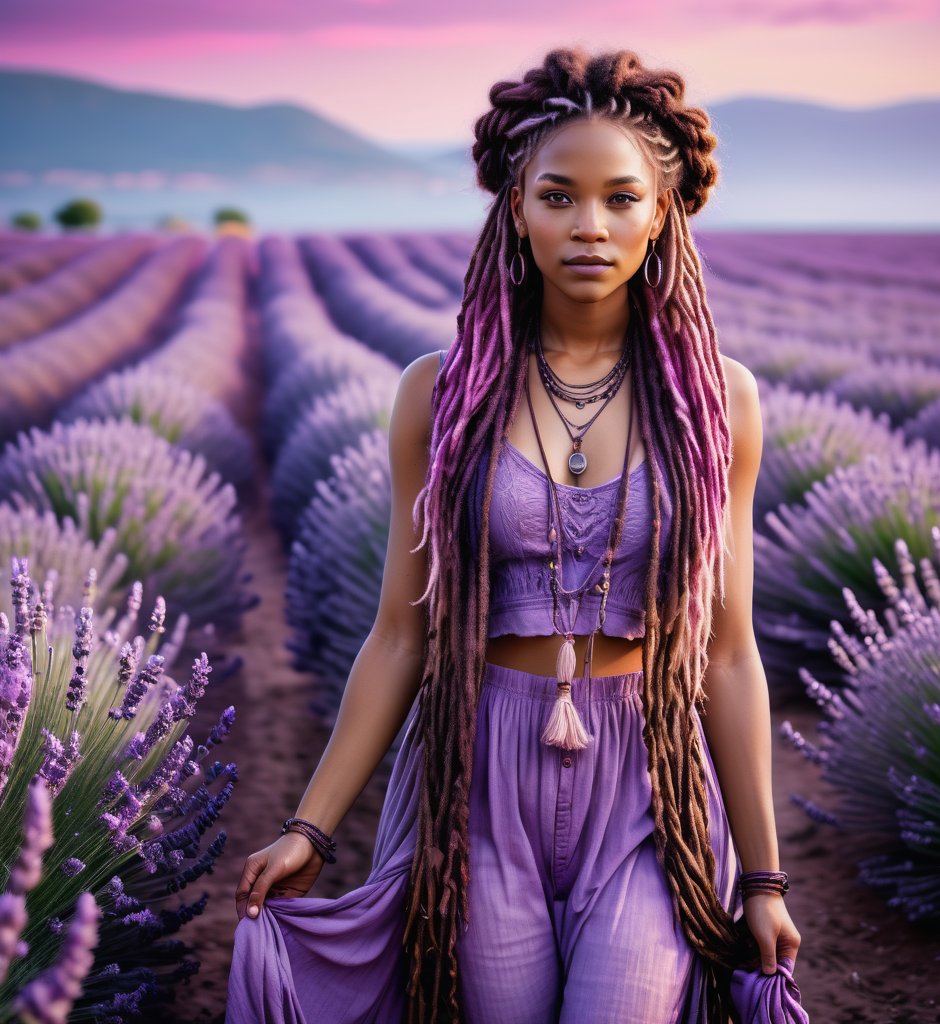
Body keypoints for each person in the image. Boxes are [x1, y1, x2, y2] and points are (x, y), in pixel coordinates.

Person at [227, 45, 806, 1024]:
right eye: (558, 195)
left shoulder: (721, 404)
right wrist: (310, 830)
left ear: (661, 213)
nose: (590, 224)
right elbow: (400, 635)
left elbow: (727, 651)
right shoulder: (440, 394)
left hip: (648, 775)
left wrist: (762, 877)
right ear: (515, 209)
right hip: (478, 774)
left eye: (621, 198)